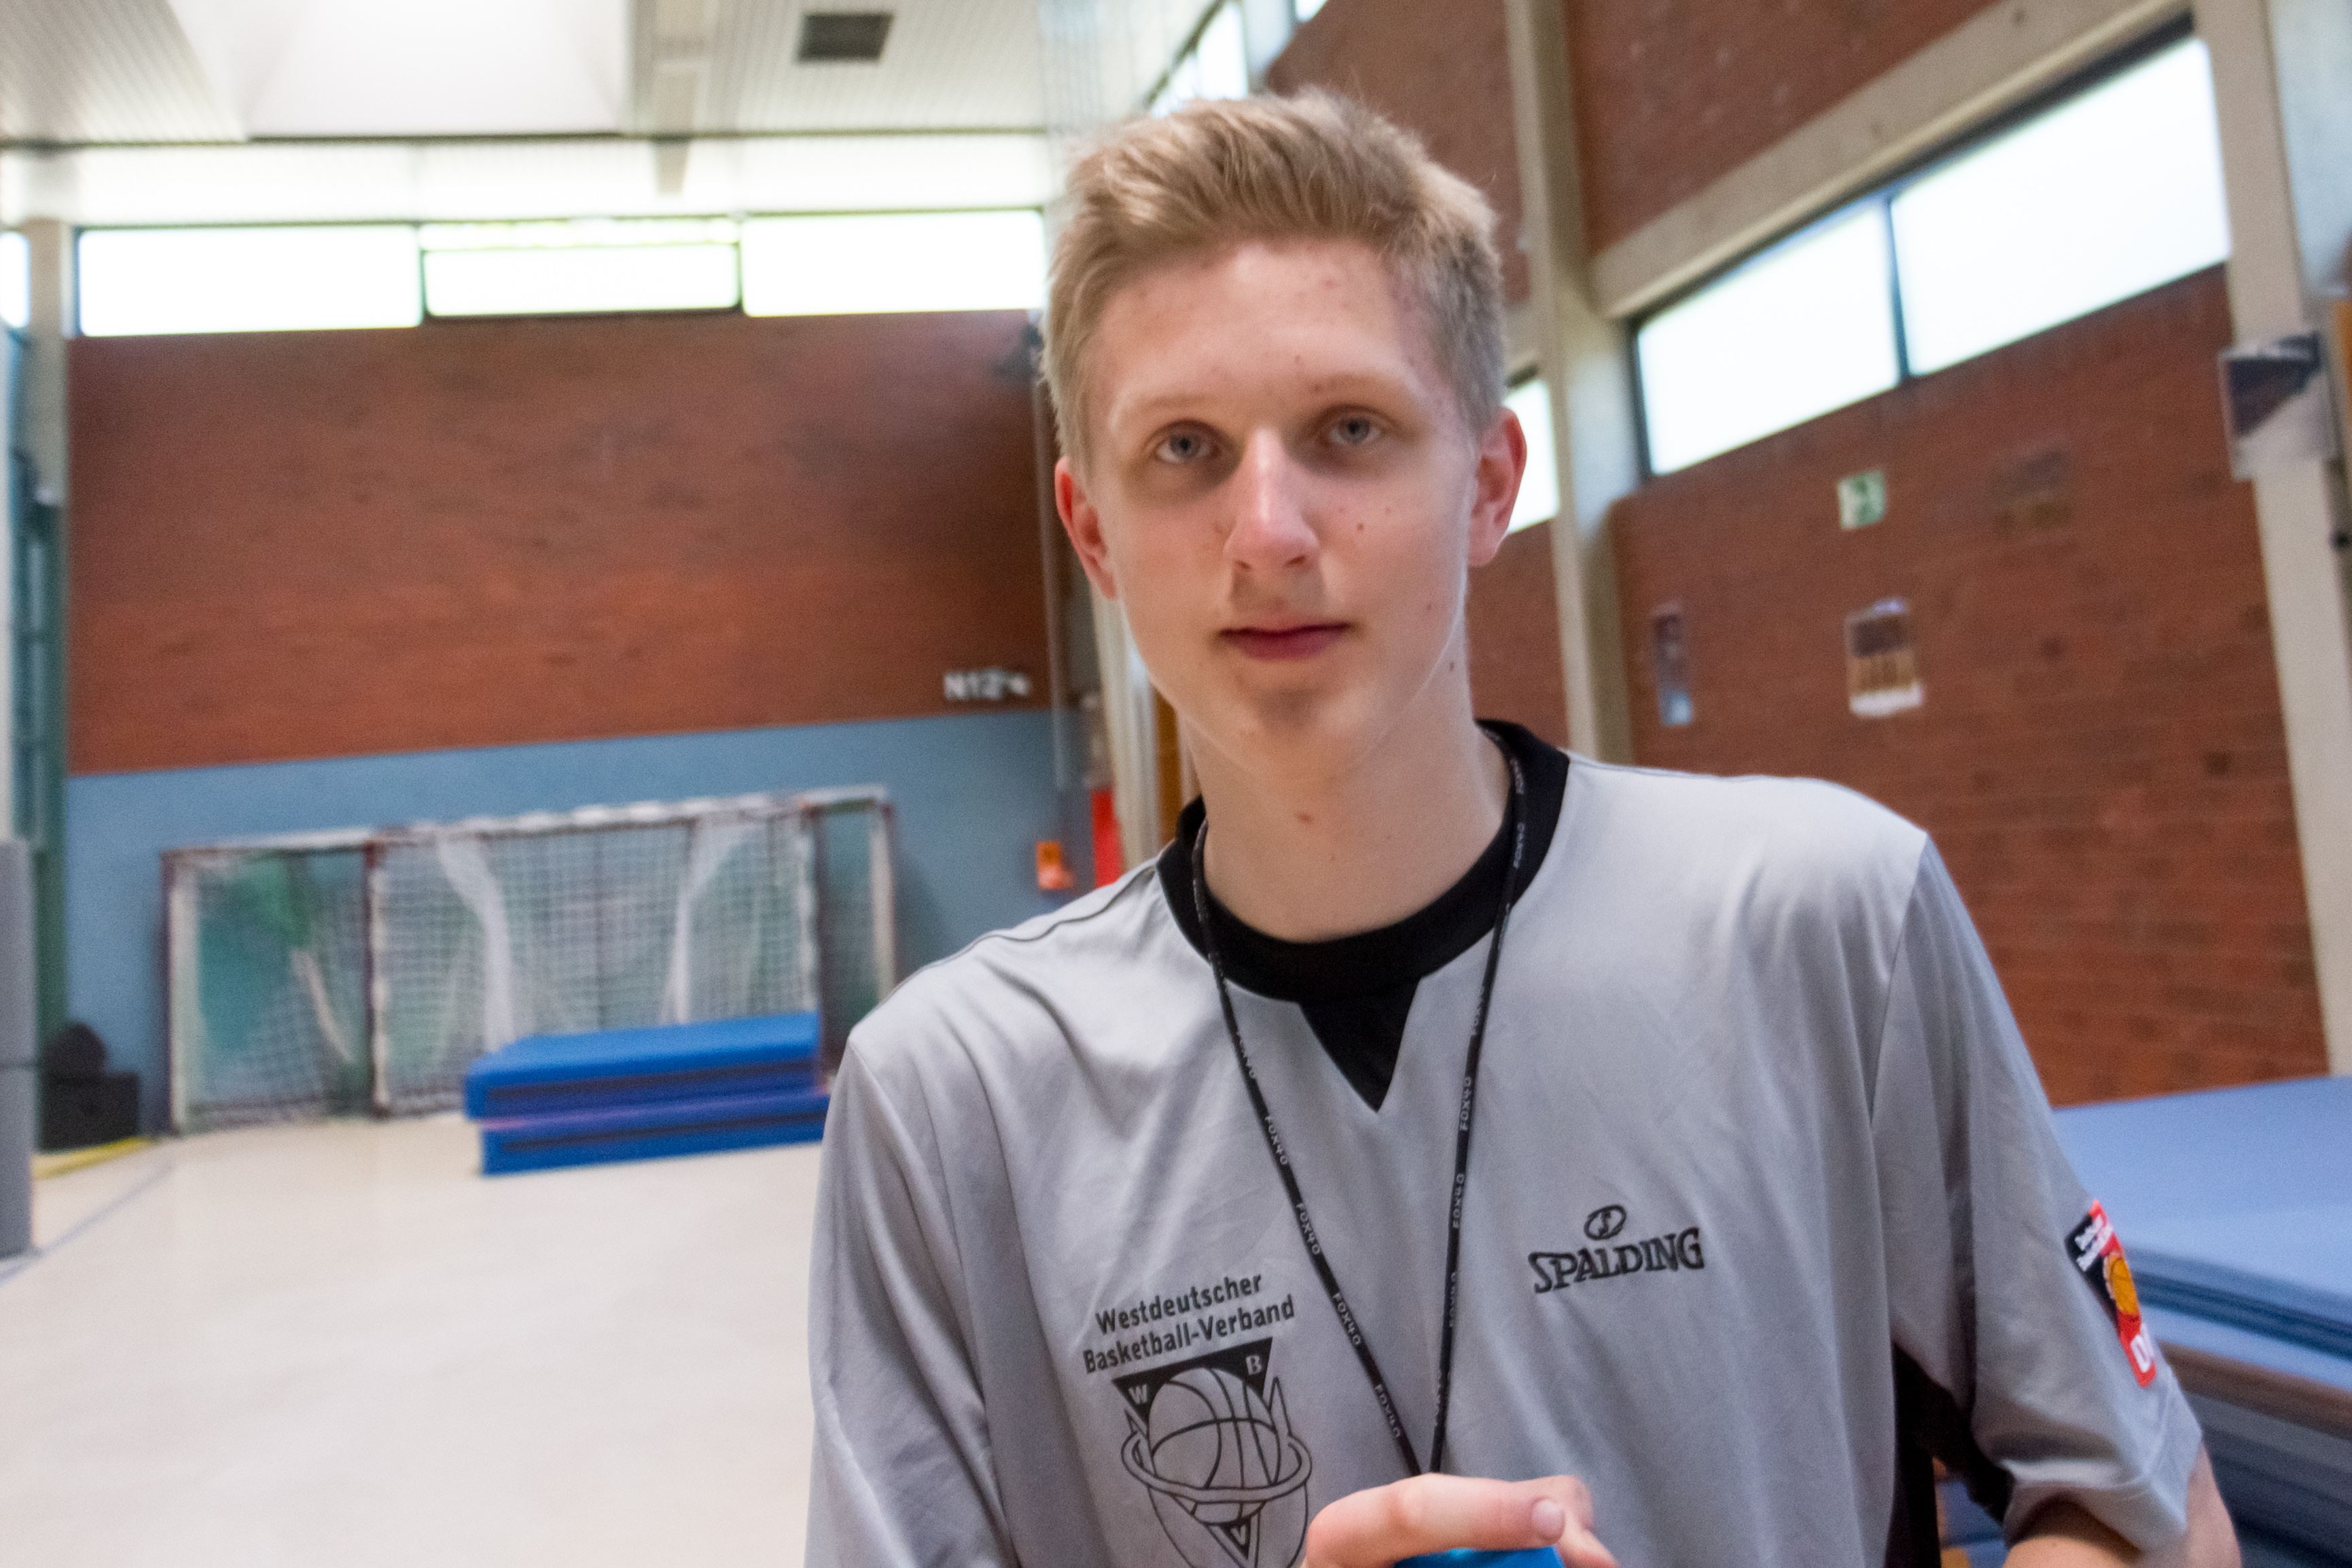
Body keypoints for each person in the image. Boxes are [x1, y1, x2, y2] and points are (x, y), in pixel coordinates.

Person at [806, 92, 2239, 1568]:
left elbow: (2147, 1507)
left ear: (1489, 482)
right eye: (1185, 448)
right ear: (1094, 531)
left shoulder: (1822, 920)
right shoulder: (952, 1106)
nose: (1270, 532)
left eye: (1348, 430)